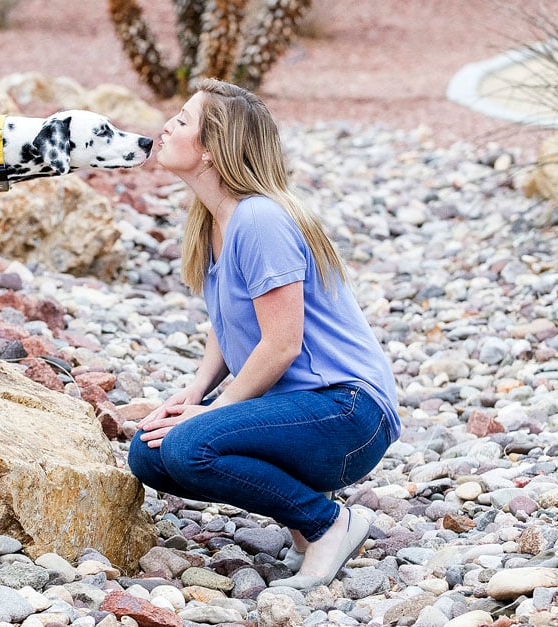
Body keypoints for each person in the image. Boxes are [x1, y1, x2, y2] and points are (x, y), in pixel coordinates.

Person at [128, 78, 401, 585]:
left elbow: (281, 343)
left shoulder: (259, 219)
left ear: (213, 151)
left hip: (348, 412)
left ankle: (326, 525)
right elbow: (230, 322)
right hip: (303, 410)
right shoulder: (212, 220)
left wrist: (213, 413)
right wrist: (193, 395)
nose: (167, 125)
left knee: (188, 447)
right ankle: (309, 520)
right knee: (149, 452)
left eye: (183, 120)